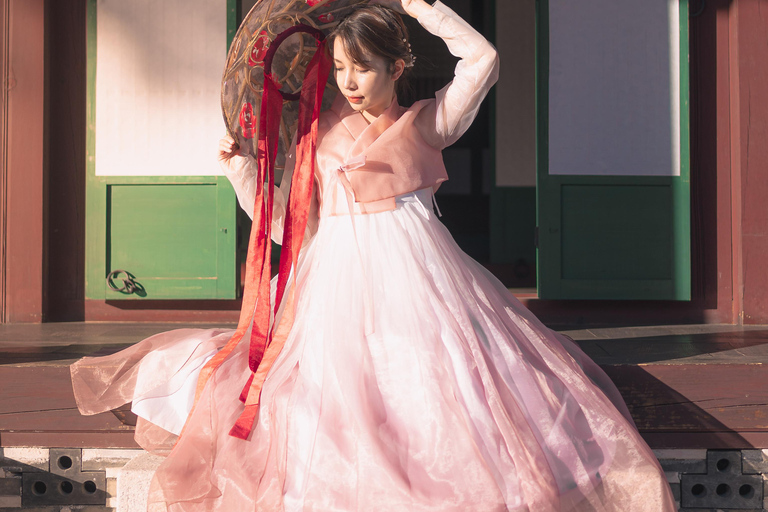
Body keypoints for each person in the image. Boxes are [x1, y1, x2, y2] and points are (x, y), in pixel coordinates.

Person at [71, 0, 677, 510]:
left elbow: (484, 60)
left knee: (440, 380)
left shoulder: (426, 122)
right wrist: (241, 171)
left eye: (362, 68)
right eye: (340, 67)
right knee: (330, 387)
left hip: (420, 276)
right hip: (334, 276)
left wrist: (419, 5)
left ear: (397, 66)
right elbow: (287, 227)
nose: (349, 80)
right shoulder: (317, 132)